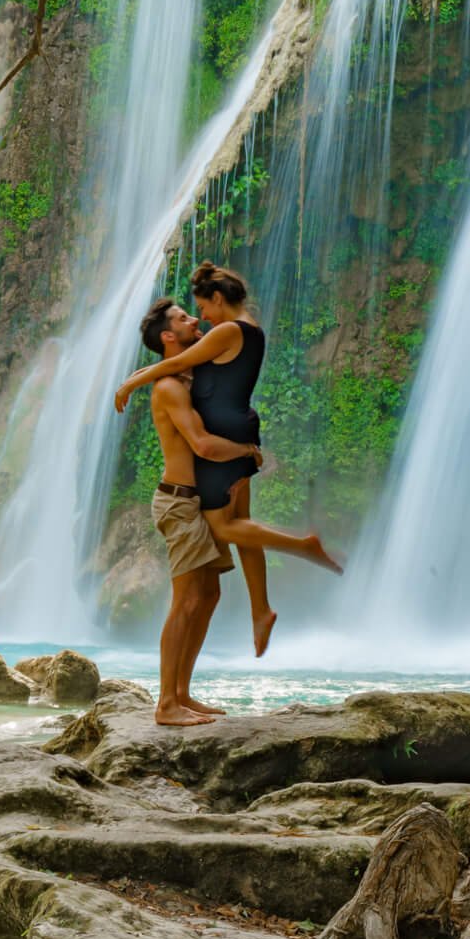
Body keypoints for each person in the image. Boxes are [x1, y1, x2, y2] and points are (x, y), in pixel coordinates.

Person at [119, 268, 341, 657]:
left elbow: (174, 364)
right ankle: (260, 609)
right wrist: (140, 375)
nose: (202, 316)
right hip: (240, 427)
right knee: (241, 524)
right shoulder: (248, 327)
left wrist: (132, 382)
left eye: (203, 307)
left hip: (223, 436)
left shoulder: (227, 331)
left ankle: (302, 546)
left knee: (224, 524)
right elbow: (177, 363)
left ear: (218, 299)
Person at [140, 309, 259, 726]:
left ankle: (182, 694)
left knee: (208, 596)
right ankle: (165, 705)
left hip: (199, 501)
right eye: (183, 318)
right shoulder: (171, 387)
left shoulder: (192, 376)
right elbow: (203, 446)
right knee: (186, 601)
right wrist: (248, 453)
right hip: (180, 502)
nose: (194, 319)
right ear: (168, 337)